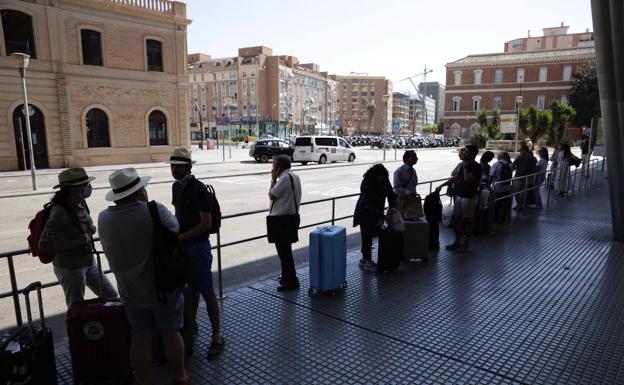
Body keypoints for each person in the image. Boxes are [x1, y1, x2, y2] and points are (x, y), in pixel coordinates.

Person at [98, 168, 188, 385]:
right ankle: (180, 376)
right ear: (140, 191)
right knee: (170, 333)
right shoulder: (153, 210)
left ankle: (144, 381)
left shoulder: (104, 218)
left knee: (139, 338)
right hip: (162, 288)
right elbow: (175, 228)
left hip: (130, 292)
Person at [167, 148, 224, 359]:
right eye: (172, 166)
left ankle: (217, 336)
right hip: (184, 247)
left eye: (179, 166)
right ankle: (190, 327)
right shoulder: (176, 187)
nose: (174, 169)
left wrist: (181, 237)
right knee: (190, 291)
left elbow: (206, 224)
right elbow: (178, 215)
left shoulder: (199, 189)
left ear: (189, 168)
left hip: (198, 248)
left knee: (208, 292)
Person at [38, 168, 118, 307]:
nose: (88, 188)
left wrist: (90, 228)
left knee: (111, 295)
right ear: (71, 189)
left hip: (88, 262)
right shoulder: (59, 211)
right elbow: (44, 244)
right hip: (70, 268)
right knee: (76, 306)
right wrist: (73, 242)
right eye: (84, 185)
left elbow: (85, 223)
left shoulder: (81, 202)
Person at [268, 155, 303, 291]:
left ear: (279, 167)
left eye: (274, 165)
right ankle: (286, 277)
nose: (272, 168)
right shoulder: (294, 176)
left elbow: (272, 194)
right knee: (285, 251)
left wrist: (272, 179)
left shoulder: (283, 179)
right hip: (290, 218)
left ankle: (292, 281)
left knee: (284, 253)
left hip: (282, 219)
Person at [354, 164, 398, 271]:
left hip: (377, 211)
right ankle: (366, 260)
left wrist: (393, 207)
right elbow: (368, 202)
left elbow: (391, 194)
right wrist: (380, 215)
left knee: (377, 233)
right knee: (366, 235)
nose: (381, 179)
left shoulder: (384, 180)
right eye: (379, 177)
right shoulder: (366, 182)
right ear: (375, 175)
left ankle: (369, 257)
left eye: (383, 177)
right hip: (364, 212)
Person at [441, 145, 481, 253]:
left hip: (469, 197)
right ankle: (457, 241)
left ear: (473, 154)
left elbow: (467, 179)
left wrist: (466, 166)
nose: (464, 154)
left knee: (468, 220)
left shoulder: (476, 167)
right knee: (455, 218)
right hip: (460, 195)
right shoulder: (464, 165)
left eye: (467, 152)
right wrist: (442, 185)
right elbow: (455, 177)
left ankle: (466, 244)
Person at [488, 152, 513, 224]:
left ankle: (495, 219)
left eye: (498, 156)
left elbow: (491, 176)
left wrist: (488, 186)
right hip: (507, 188)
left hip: (497, 188)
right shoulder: (510, 165)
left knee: (496, 204)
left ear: (500, 157)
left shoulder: (496, 164)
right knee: (504, 204)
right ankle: (502, 218)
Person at [393, 150, 418, 216]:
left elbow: (414, 185)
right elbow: (397, 188)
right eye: (414, 157)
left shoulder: (413, 171)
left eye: (416, 157)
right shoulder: (399, 171)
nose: (416, 158)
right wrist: (408, 193)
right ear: (407, 158)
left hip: (412, 201)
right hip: (402, 202)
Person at [512, 144, 534, 210]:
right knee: (524, 192)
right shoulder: (531, 158)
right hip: (527, 177)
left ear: (524, 150)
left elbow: (513, 165)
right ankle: (523, 204)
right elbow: (533, 168)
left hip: (519, 177)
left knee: (516, 191)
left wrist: (515, 168)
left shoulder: (519, 157)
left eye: (521, 150)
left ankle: (519, 205)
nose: (520, 151)